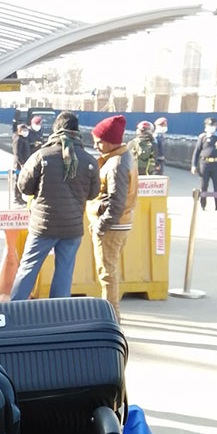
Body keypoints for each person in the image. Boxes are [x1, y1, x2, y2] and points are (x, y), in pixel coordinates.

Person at [10, 112, 99, 300]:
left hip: (43, 226)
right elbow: (93, 193)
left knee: (28, 268)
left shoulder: (42, 156)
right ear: (77, 130)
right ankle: (58, 315)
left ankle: (14, 311)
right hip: (72, 228)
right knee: (64, 272)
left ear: (56, 129)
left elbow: (24, 187)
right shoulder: (90, 161)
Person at [88, 115, 137, 320]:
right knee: (110, 271)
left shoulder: (116, 164)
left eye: (98, 140)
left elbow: (116, 202)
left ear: (109, 141)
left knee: (107, 274)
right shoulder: (122, 157)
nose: (95, 145)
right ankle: (111, 315)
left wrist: (100, 225)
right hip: (119, 224)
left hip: (111, 227)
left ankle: (111, 319)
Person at [191, 117, 217, 211]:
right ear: (206, 126)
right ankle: (203, 205)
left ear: (216, 126)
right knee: (203, 185)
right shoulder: (202, 137)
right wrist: (194, 165)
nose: (212, 127)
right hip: (204, 164)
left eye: (213, 125)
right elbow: (196, 152)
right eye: (210, 125)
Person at [12, 123, 32, 206]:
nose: (25, 132)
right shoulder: (18, 139)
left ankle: (20, 197)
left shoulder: (24, 139)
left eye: (26, 130)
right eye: (24, 130)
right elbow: (17, 153)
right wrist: (22, 163)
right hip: (19, 164)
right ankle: (16, 197)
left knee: (21, 180)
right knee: (17, 181)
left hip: (25, 163)